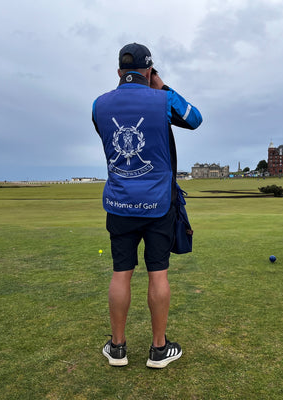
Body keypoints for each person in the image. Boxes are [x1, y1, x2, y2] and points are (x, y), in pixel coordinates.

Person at [92, 43, 202, 368]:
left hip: (119, 202)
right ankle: (158, 349)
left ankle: (117, 348)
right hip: (158, 205)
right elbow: (194, 118)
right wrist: (162, 86)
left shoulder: (99, 105)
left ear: (118, 72)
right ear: (149, 71)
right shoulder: (162, 99)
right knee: (158, 274)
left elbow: (105, 134)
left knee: (120, 274)